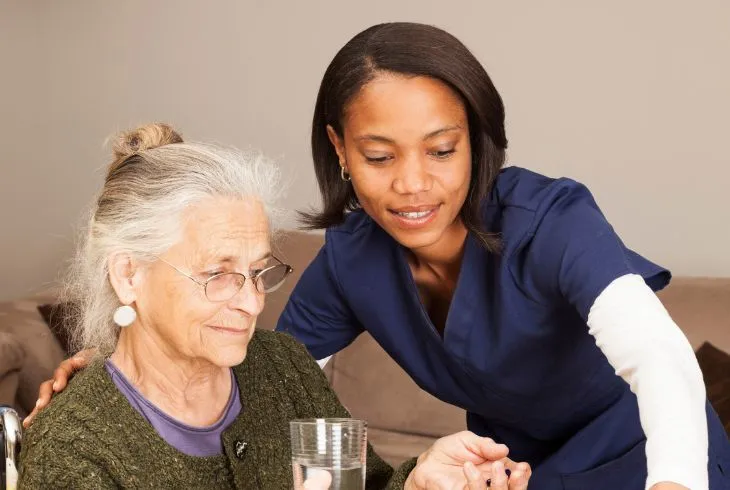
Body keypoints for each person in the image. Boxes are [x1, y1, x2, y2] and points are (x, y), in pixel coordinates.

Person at [31, 22, 730, 489]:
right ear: (340, 151)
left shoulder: (551, 221)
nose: (413, 184)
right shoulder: (351, 259)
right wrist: (122, 359)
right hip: (518, 472)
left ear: (477, 140)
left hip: (652, 454)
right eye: (378, 155)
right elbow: (256, 371)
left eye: (442, 150)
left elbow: (659, 361)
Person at [18, 124, 531, 489]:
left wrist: (420, 482)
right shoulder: (74, 450)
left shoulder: (282, 366)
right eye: (218, 273)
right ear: (129, 275)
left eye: (258, 271)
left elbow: (366, 485)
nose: (250, 302)